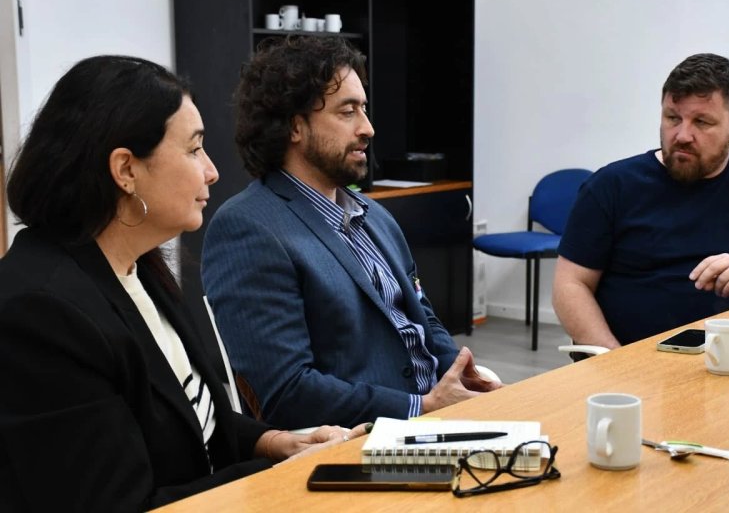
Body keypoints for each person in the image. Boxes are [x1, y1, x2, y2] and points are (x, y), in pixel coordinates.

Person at [0, 55, 366, 512]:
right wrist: (287, 474)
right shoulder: (43, 313)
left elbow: (197, 423)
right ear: (126, 170)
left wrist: (276, 442)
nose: (212, 171)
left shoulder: (138, 265)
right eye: (194, 149)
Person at [202, 35, 500, 430]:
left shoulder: (374, 214)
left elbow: (420, 314)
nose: (368, 128)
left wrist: (459, 374)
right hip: (360, 444)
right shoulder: (247, 228)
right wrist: (420, 407)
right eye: (348, 112)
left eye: (365, 109)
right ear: (295, 126)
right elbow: (286, 392)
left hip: (437, 419)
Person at [553, 53, 729, 350]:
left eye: (702, 122)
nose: (682, 135)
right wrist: (614, 360)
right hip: (634, 367)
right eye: (672, 118)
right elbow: (570, 285)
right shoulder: (611, 186)